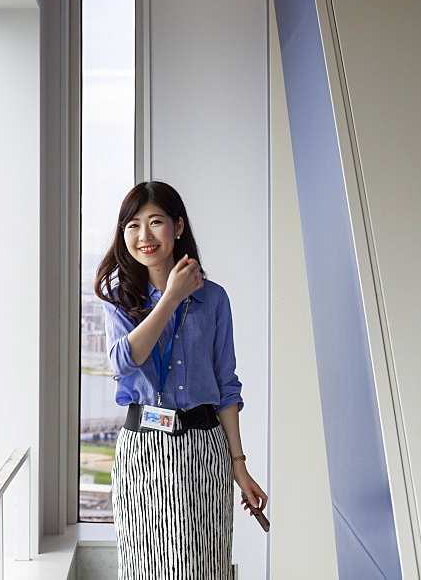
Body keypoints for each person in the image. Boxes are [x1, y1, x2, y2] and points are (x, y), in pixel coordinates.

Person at [95, 180, 268, 579]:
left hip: (205, 450)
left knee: (205, 567)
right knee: (147, 568)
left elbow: (227, 386)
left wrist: (238, 465)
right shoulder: (119, 299)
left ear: (177, 226)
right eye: (133, 225)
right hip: (143, 452)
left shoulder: (215, 298)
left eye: (155, 221)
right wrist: (170, 297)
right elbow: (123, 360)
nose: (144, 235)